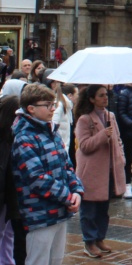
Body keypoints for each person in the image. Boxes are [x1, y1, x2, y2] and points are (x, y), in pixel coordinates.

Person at [12, 84, 84, 265]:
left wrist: (76, 190)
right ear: (31, 108)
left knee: (56, 260)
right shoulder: (23, 136)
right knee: (38, 260)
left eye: (53, 104)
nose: (53, 109)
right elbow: (36, 177)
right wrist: (67, 197)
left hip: (60, 210)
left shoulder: (51, 132)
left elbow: (67, 166)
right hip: (39, 214)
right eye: (48, 105)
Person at [74, 85, 127, 258]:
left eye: (106, 95)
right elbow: (84, 146)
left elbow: (118, 139)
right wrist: (103, 135)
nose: (105, 98)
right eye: (101, 95)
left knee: (104, 208)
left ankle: (99, 238)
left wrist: (121, 157)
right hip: (91, 171)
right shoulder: (84, 119)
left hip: (109, 170)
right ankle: (89, 242)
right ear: (91, 99)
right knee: (89, 209)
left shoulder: (110, 116)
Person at [0, 95, 23, 265]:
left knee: (8, 233)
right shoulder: (5, 137)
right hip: (4, 195)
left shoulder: (12, 136)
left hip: (10, 195)